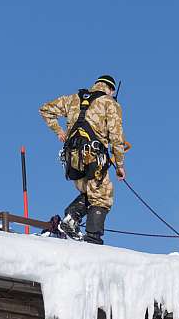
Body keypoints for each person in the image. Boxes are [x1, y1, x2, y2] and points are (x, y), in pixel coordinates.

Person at [39, 74, 128, 244]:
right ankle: (92, 239)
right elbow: (117, 138)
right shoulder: (110, 103)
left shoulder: (73, 98)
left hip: (73, 159)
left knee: (92, 192)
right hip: (94, 157)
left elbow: (45, 109)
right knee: (103, 196)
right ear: (111, 89)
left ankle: (71, 219)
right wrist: (120, 165)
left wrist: (59, 131)